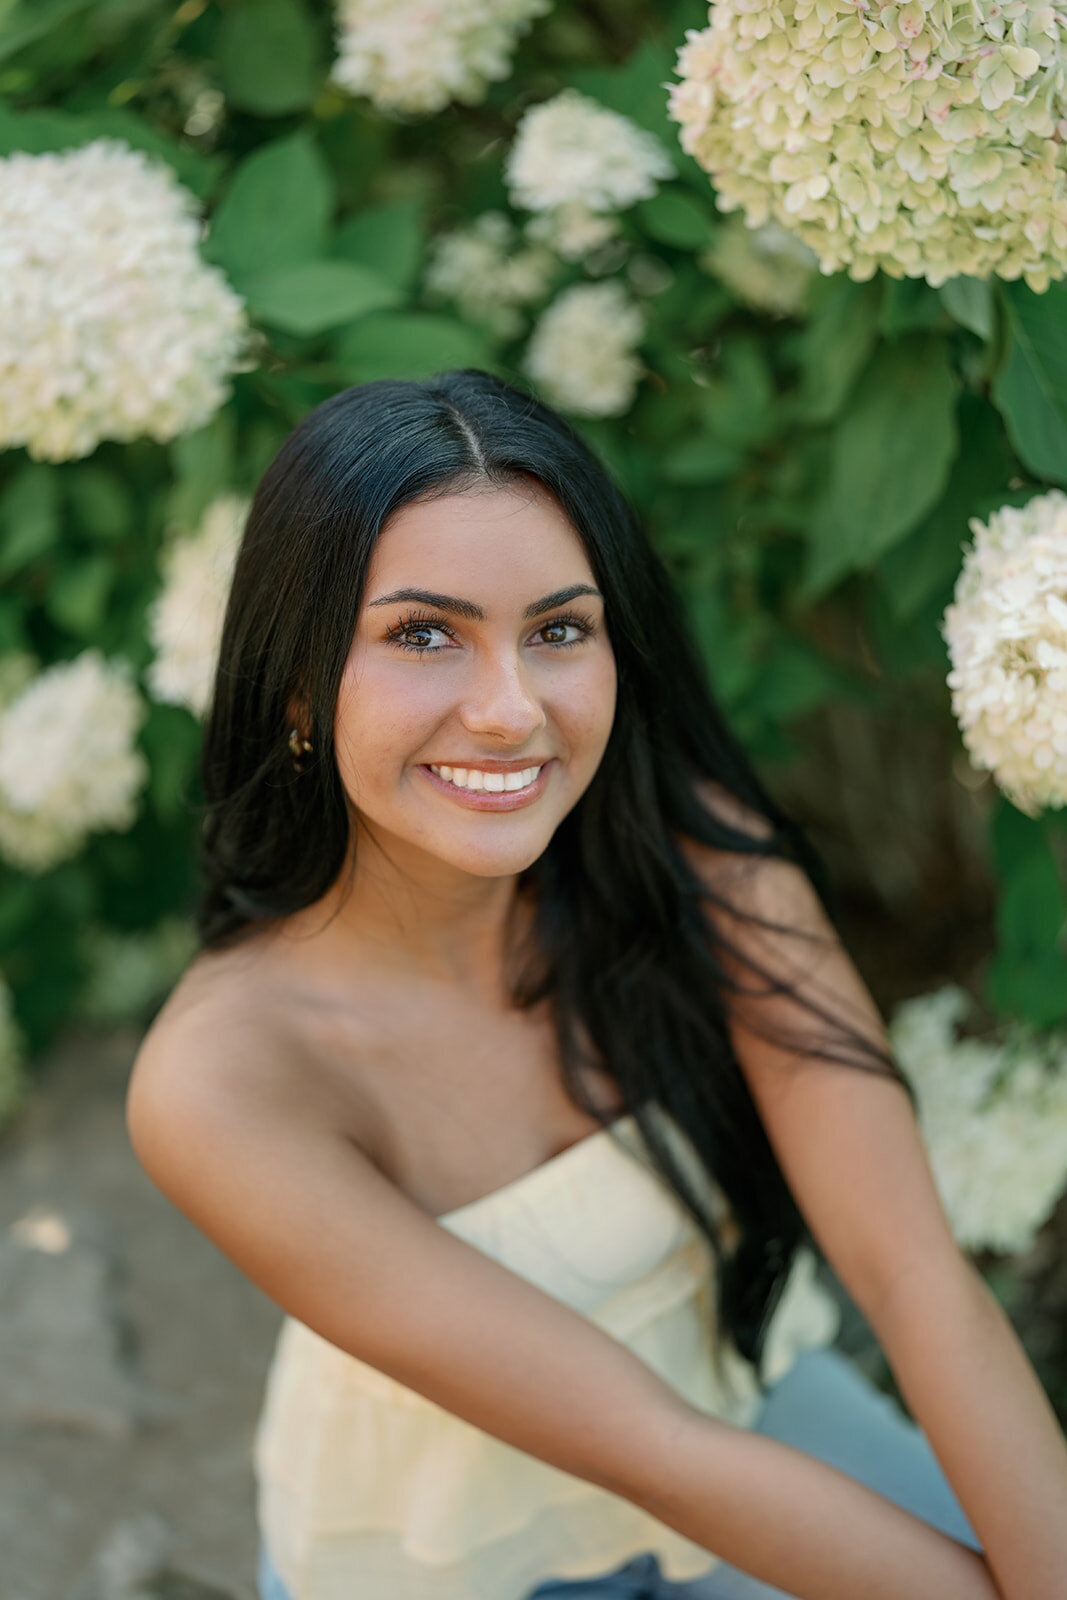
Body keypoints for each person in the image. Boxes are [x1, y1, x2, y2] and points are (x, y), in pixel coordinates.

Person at [125, 370, 1067, 1600]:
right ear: (297, 686)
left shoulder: (703, 872)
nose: (511, 711)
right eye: (423, 634)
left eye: (558, 629)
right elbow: (651, 1453)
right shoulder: (219, 1088)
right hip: (461, 1557)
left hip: (740, 1404)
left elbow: (907, 1271)